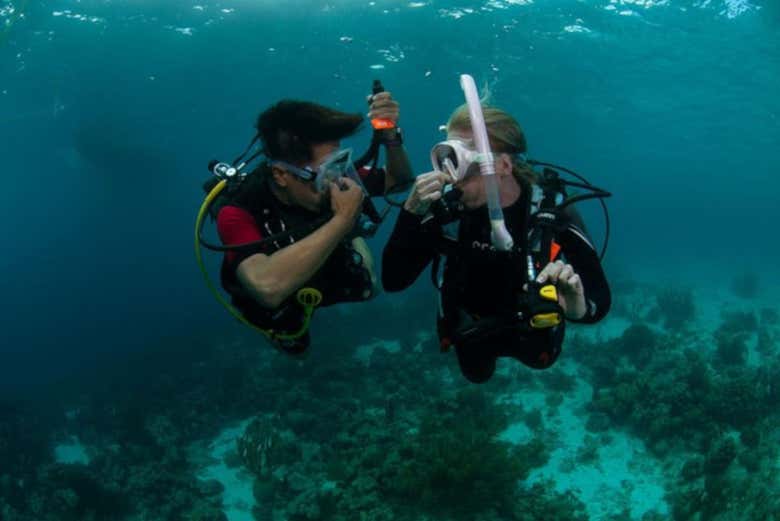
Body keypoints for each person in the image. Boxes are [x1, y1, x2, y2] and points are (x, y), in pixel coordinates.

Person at [382, 103, 611, 383]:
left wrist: (575, 306)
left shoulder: (548, 212)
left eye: (462, 159)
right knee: (476, 374)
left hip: (531, 326)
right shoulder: (445, 213)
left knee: (541, 359)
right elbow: (393, 281)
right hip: (471, 327)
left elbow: (599, 302)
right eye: (446, 157)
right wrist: (410, 213)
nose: (450, 173)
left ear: (503, 164)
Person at [215, 93, 412, 354]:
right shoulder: (237, 211)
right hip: (278, 286)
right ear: (281, 175)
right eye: (326, 171)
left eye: (340, 164)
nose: (337, 180)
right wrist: (344, 220)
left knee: (369, 287)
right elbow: (267, 287)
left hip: (327, 263)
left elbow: (400, 181)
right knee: (291, 340)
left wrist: (390, 135)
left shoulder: (334, 177)